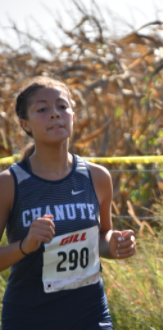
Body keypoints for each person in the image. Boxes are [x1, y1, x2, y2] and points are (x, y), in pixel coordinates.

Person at [0, 77, 136, 329]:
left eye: (62, 106)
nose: (55, 114)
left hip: (90, 315)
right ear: (25, 124)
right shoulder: (9, 183)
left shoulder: (97, 177)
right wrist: (25, 245)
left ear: (73, 115)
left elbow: (103, 237)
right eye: (42, 109)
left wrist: (115, 244)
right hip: (28, 318)